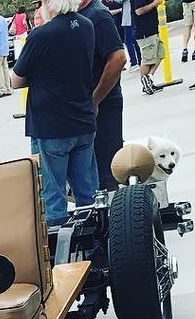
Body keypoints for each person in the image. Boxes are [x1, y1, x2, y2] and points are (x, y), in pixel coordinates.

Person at [11, 0, 98, 226]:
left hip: (51, 125)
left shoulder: (40, 36)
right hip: (83, 118)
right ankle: (93, 233)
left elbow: (16, 80)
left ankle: (59, 238)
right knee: (87, 191)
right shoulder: (86, 25)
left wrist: (40, 75)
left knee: (52, 195)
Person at [78, 0, 127, 189]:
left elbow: (118, 58)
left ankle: (112, 205)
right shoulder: (79, 15)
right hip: (86, 106)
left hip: (104, 105)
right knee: (92, 174)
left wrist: (95, 99)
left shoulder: (98, 15)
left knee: (107, 174)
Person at [133, 0, 164, 93]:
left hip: (153, 30)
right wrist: (154, 4)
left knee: (160, 53)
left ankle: (148, 78)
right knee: (148, 60)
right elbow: (138, 11)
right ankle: (145, 83)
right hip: (145, 33)